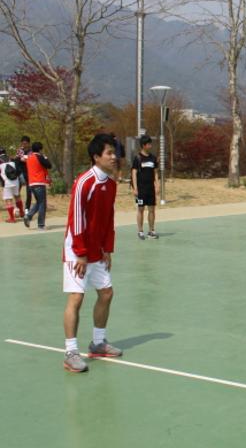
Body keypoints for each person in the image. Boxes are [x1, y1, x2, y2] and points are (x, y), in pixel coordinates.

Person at [61, 133, 121, 373]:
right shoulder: (84, 182)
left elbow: (108, 219)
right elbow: (76, 218)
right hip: (77, 250)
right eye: (109, 153)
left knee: (106, 293)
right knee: (76, 298)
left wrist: (107, 248)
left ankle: (98, 343)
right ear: (96, 157)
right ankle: (70, 353)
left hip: (97, 249)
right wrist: (81, 253)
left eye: (114, 152)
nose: (114, 157)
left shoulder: (111, 184)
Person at [131, 134, 160, 239]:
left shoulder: (153, 158)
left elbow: (155, 173)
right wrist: (135, 188)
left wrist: (157, 185)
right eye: (148, 144)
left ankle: (151, 231)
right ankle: (140, 231)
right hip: (141, 189)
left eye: (150, 144)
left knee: (152, 210)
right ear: (143, 145)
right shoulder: (137, 158)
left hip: (150, 189)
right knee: (141, 209)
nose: (150, 146)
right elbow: (134, 173)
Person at [23, 141, 51, 230]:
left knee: (39, 202)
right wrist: (45, 157)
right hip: (39, 182)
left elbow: (22, 158)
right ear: (40, 149)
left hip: (31, 183)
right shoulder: (39, 157)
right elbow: (49, 165)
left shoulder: (29, 158)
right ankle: (41, 225)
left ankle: (28, 216)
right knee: (42, 204)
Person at [1, 149, 21, 222]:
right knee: (17, 196)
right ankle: (22, 213)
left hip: (6, 183)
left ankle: (12, 218)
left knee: (8, 200)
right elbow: (19, 170)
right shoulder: (11, 158)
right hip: (16, 181)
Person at [14, 135, 30, 216]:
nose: (24, 145)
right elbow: (16, 161)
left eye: (25, 143)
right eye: (23, 143)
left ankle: (27, 209)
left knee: (29, 192)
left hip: (29, 173)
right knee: (17, 192)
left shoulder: (31, 151)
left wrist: (25, 159)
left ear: (28, 143)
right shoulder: (20, 151)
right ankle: (19, 209)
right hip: (20, 173)